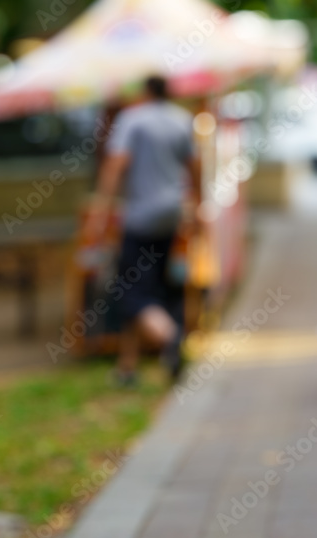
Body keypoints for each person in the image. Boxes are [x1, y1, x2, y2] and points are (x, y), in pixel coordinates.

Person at [89, 75, 203, 385]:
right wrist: (199, 205)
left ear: (146, 92)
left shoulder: (133, 120)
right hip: (173, 216)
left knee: (131, 291)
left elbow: (115, 164)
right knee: (158, 288)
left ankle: (169, 337)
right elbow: (195, 166)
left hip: (140, 218)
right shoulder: (182, 120)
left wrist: (101, 210)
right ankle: (128, 365)